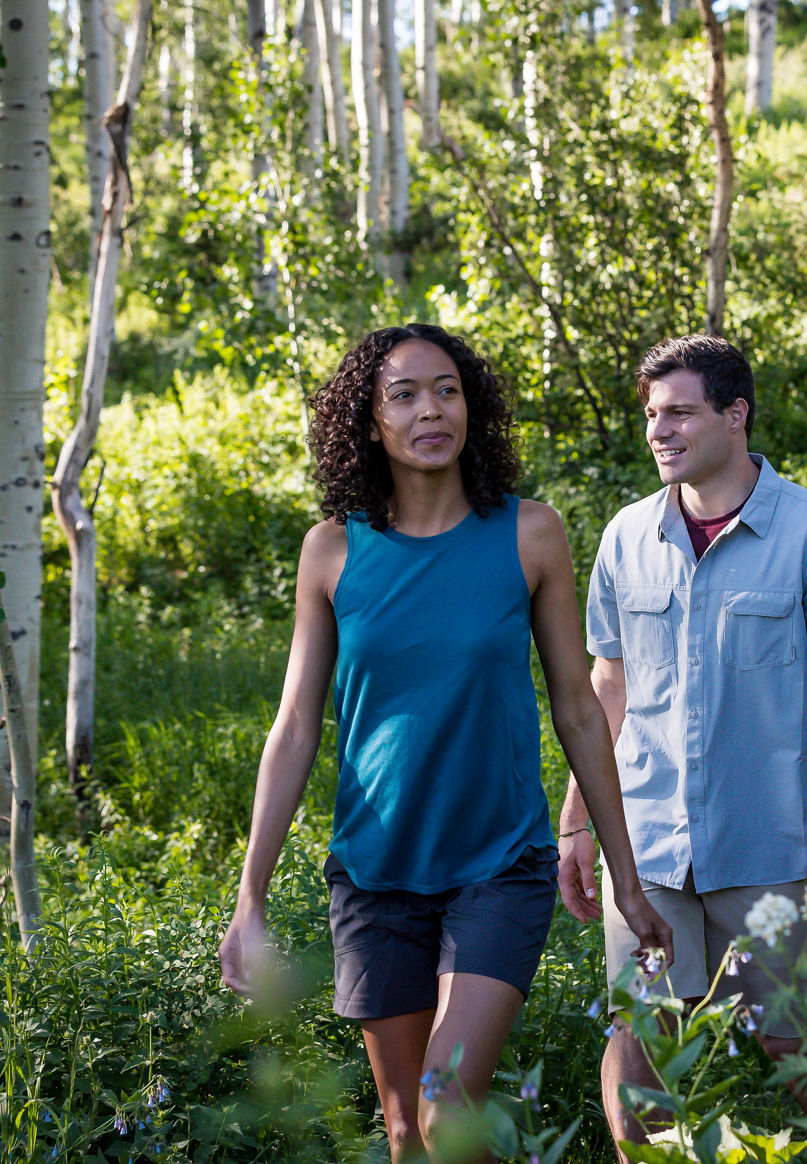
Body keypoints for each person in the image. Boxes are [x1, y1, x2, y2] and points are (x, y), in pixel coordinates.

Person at [218, 323, 672, 1164]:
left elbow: (579, 709)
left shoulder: (529, 534)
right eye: (404, 395)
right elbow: (295, 729)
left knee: (444, 1109)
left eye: (448, 390)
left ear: (474, 407)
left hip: (496, 867)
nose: (432, 410)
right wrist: (251, 898)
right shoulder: (332, 551)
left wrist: (626, 879)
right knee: (405, 1135)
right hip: (374, 875)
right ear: (369, 422)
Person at [556, 334, 807, 1160]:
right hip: (651, 849)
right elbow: (606, 692)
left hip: (774, 849)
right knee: (643, 1052)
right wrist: (576, 825)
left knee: (796, 1052)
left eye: (680, 412)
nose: (659, 431)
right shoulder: (626, 537)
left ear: (735, 415)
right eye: (651, 415)